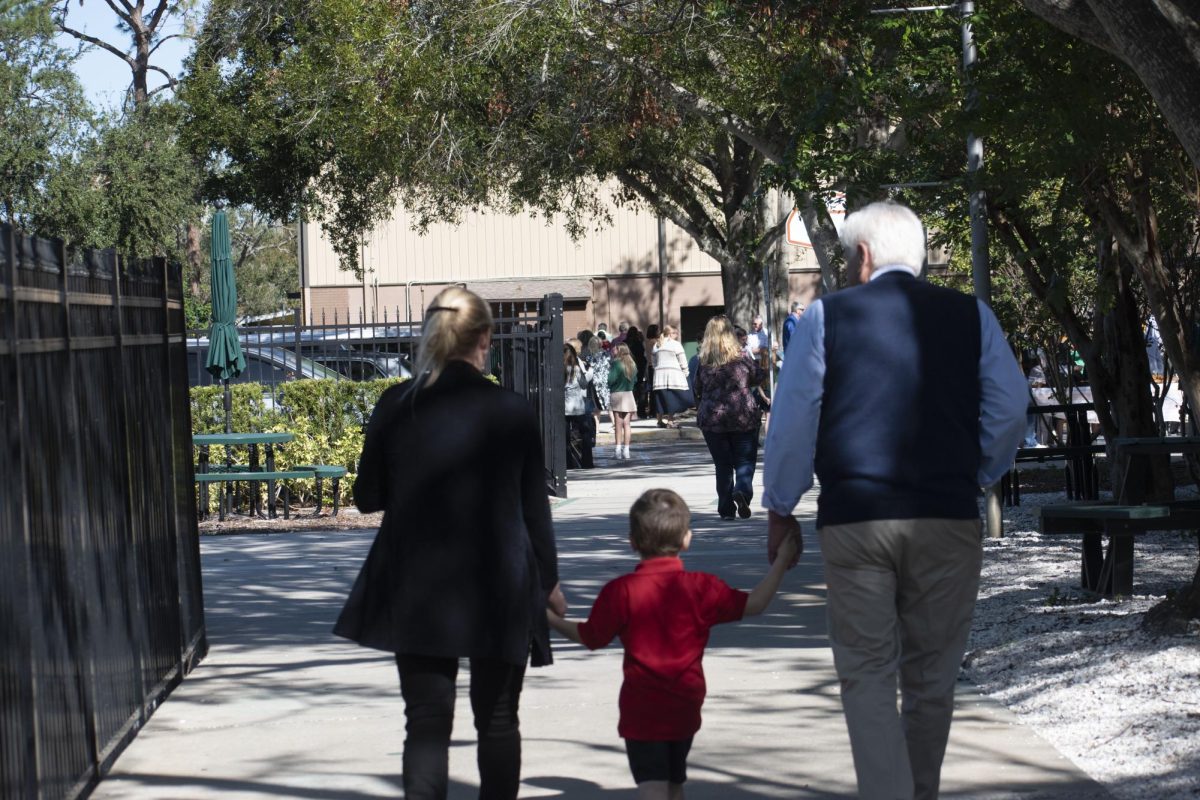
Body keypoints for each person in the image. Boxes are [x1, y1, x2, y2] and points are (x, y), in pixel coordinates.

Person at [761, 201, 1027, 800]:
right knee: (932, 677)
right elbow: (1011, 408)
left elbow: (795, 419)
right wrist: (975, 472)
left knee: (868, 675)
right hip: (947, 517)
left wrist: (781, 506)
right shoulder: (972, 316)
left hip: (858, 518)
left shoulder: (827, 316)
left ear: (862, 257)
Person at [334, 286, 567, 800]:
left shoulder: (397, 403)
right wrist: (548, 581)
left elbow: (368, 495)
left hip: (420, 580)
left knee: (426, 723)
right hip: (500, 580)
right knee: (499, 720)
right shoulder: (510, 410)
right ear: (484, 338)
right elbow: (535, 509)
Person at [546, 489, 798, 800]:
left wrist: (548, 618)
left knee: (653, 788)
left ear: (633, 542)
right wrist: (782, 561)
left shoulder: (621, 591)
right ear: (686, 539)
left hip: (642, 710)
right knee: (675, 785)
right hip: (686, 706)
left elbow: (590, 636)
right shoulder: (702, 588)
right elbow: (756, 603)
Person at [693, 316, 766, 521]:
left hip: (712, 417)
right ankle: (742, 490)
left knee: (722, 464)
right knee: (744, 459)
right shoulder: (742, 357)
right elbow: (759, 376)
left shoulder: (703, 360)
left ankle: (726, 509)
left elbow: (697, 388)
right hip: (742, 414)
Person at [651, 325, 690, 428]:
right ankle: (670, 421)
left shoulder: (657, 345)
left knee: (660, 398)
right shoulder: (676, 345)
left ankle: (659, 421)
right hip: (673, 376)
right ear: (670, 334)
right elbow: (683, 360)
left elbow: (653, 362)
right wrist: (685, 373)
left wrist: (658, 369)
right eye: (675, 333)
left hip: (659, 377)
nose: (677, 335)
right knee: (672, 398)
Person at [564, 343, 595, 468]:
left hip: (564, 407)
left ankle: (567, 463)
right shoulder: (576, 368)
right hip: (578, 406)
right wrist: (590, 372)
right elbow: (583, 384)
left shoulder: (558, 369)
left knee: (565, 437)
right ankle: (587, 462)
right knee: (585, 433)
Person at [608, 344, 638, 459]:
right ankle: (626, 450)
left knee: (618, 424)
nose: (612, 350)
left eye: (614, 348)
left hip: (617, 394)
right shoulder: (632, 364)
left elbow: (610, 380)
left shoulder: (616, 364)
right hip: (629, 394)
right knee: (627, 424)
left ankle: (617, 450)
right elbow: (635, 380)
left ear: (619, 350)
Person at [583, 336, 612, 437]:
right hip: (605, 382)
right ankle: (614, 425)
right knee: (609, 406)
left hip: (595, 383)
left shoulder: (589, 357)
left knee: (596, 407)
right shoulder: (606, 354)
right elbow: (610, 365)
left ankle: (597, 428)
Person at [642, 324, 660, 418]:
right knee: (655, 389)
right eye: (658, 330)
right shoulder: (656, 342)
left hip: (648, 367)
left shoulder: (646, 342)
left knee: (651, 390)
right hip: (654, 366)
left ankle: (652, 410)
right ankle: (655, 410)